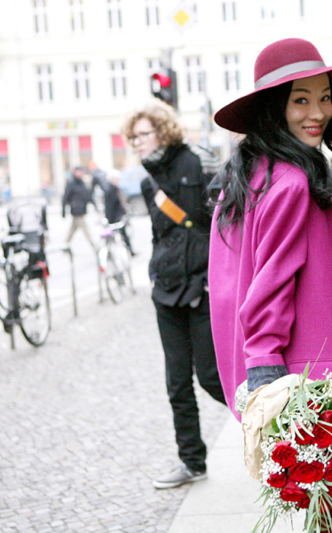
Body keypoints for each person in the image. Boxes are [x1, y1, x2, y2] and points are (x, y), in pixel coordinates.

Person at [208, 38, 332, 532]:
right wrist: (267, 379)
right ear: (274, 107)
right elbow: (266, 289)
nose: (319, 113)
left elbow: (230, 286)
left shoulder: (252, 174)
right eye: (300, 99)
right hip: (317, 383)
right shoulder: (289, 182)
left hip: (304, 371)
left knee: (320, 520)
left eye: (325, 97)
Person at [121, 99, 226, 490]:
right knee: (177, 382)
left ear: (162, 131)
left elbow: (222, 221)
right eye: (132, 137)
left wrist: (217, 276)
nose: (137, 143)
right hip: (166, 288)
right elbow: (159, 231)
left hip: (201, 285)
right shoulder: (149, 180)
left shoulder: (197, 162)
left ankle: (269, 425)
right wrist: (152, 273)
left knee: (212, 377)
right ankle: (191, 461)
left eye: (142, 135)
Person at [61, 166, 96, 251]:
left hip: (82, 209)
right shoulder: (71, 183)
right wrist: (63, 210)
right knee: (85, 228)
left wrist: (94, 204)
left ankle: (65, 244)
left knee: (73, 229)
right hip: (76, 210)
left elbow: (87, 195)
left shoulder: (82, 183)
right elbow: (65, 197)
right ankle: (94, 246)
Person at [103, 168, 135, 256]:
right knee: (120, 235)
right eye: (117, 179)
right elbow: (109, 207)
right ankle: (127, 251)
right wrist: (109, 220)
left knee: (123, 235)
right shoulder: (110, 190)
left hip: (119, 216)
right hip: (115, 217)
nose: (118, 181)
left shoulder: (115, 188)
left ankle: (129, 250)